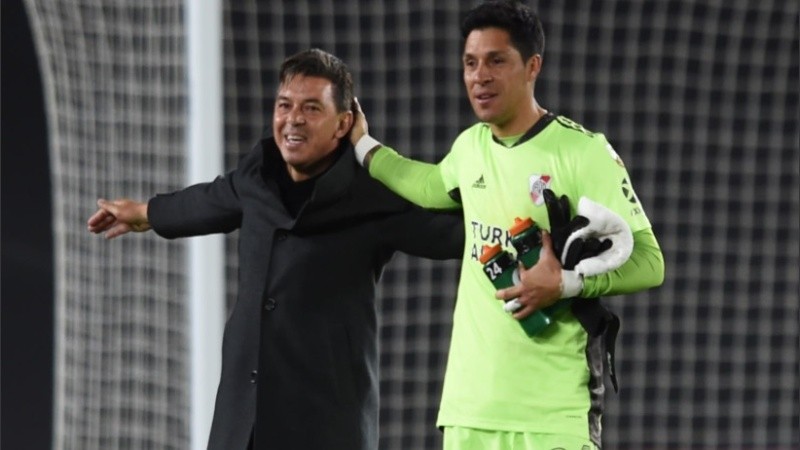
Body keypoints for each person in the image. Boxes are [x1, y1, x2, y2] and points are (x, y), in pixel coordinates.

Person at [87, 48, 464, 450]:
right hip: (244, 423)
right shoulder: (257, 174)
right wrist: (146, 212)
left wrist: (521, 223)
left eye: (311, 108)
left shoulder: (372, 195)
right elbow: (207, 202)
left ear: (344, 124)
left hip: (327, 426)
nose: (293, 119)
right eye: (284, 105)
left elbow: (452, 233)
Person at [349, 1, 665, 449]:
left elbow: (651, 264)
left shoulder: (583, 152)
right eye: (470, 63)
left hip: (553, 415)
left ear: (532, 66)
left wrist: (565, 283)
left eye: (497, 61)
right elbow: (427, 184)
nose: (480, 76)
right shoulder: (471, 147)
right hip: (470, 412)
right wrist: (362, 144)